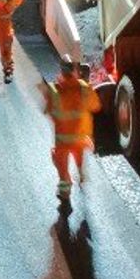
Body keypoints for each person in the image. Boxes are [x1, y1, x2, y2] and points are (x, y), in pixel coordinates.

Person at [44, 56, 103, 210]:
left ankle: (65, 194)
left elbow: (48, 111)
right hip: (80, 138)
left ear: (61, 70)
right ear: (76, 70)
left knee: (61, 167)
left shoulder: (54, 90)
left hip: (62, 141)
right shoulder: (84, 88)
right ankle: (81, 173)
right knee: (79, 153)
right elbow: (96, 106)